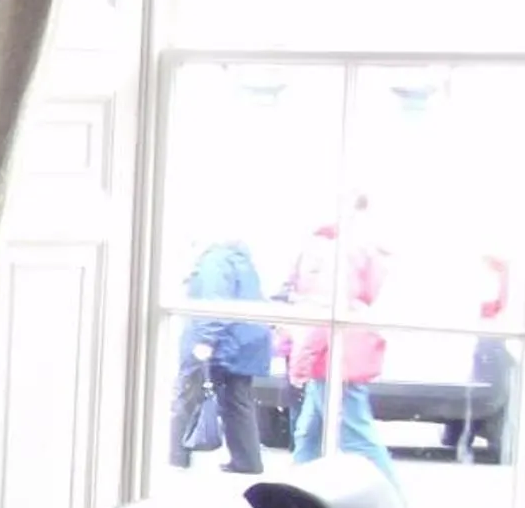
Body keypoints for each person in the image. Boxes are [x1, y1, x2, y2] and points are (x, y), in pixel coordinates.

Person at [286, 200, 399, 485]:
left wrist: (302, 361)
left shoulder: (334, 251)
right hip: (344, 350)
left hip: (334, 354)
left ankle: (393, 506)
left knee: (355, 437)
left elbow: (326, 309)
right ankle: (299, 494)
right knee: (310, 432)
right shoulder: (360, 247)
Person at [170, 236, 272, 474]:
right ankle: (247, 461)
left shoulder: (214, 261)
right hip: (245, 341)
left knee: (188, 396)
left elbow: (214, 303)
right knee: (237, 401)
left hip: (228, 341)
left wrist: (205, 339)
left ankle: (175, 457)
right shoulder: (239, 260)